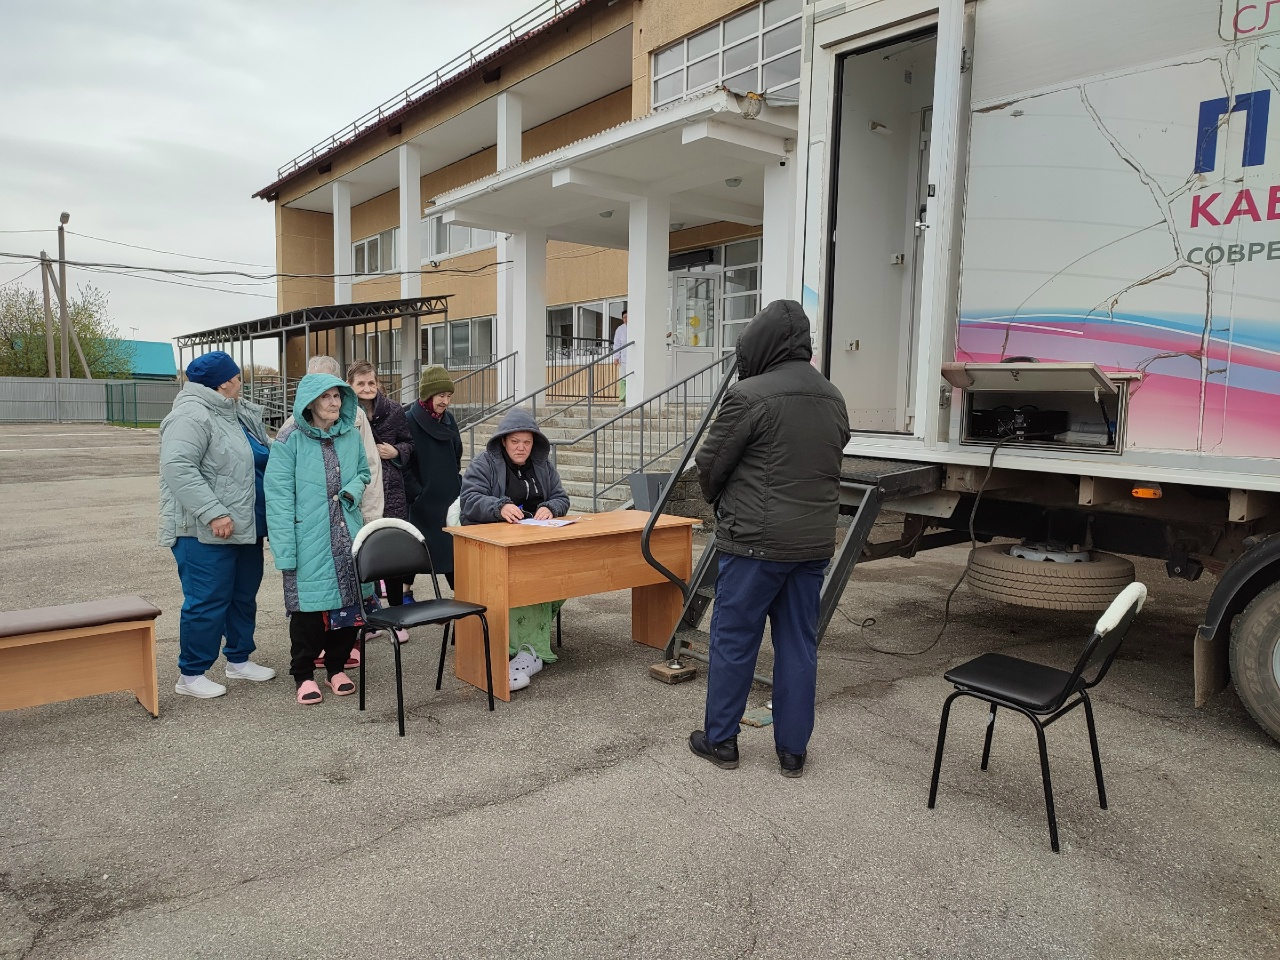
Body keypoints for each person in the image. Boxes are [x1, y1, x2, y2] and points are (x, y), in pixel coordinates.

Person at [688, 299, 850, 778]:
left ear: (760, 343)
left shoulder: (748, 395)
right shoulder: (833, 396)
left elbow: (709, 464)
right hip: (811, 545)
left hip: (754, 544)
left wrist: (721, 502)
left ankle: (721, 741)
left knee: (734, 639)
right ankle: (793, 751)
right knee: (799, 643)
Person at [159, 351, 277, 699]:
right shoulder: (190, 415)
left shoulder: (236, 412)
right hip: (204, 531)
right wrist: (213, 512)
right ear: (224, 382)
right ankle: (191, 674)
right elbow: (178, 467)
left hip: (245, 526)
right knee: (207, 601)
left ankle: (238, 660)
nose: (241, 381)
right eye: (237, 376)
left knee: (242, 596)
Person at [265, 373, 373, 705]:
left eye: (338, 396)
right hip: (308, 538)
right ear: (310, 402)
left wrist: (351, 491)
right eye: (326, 397)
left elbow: (364, 473)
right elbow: (278, 499)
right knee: (308, 612)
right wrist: (285, 550)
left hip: (347, 532)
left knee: (350, 606)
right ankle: (303, 675)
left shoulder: (350, 435)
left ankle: (336, 668)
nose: (334, 402)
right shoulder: (289, 440)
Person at [458, 407, 570, 691]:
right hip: (491, 544)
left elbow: (561, 497)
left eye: (527, 442)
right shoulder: (484, 463)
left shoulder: (543, 466)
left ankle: (526, 645)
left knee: (561, 574)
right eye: (515, 441)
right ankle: (526, 652)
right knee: (524, 581)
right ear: (504, 441)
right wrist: (499, 506)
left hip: (533, 540)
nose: (521, 447)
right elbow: (468, 500)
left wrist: (550, 507)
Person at [404, 365, 462, 593]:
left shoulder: (448, 420)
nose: (445, 401)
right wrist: (417, 493)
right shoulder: (408, 420)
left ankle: (462, 597)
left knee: (452, 555)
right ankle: (405, 596)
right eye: (441, 396)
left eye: (448, 396)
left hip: (447, 501)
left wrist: (453, 483)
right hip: (421, 502)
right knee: (412, 552)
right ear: (428, 395)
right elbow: (404, 462)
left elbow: (456, 454)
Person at [612, 309, 629, 407]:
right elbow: (617, 344)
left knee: (633, 378)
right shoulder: (620, 329)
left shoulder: (636, 327)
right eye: (624, 317)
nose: (626, 319)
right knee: (623, 379)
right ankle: (623, 399)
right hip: (624, 358)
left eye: (627, 317)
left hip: (634, 358)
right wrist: (616, 357)